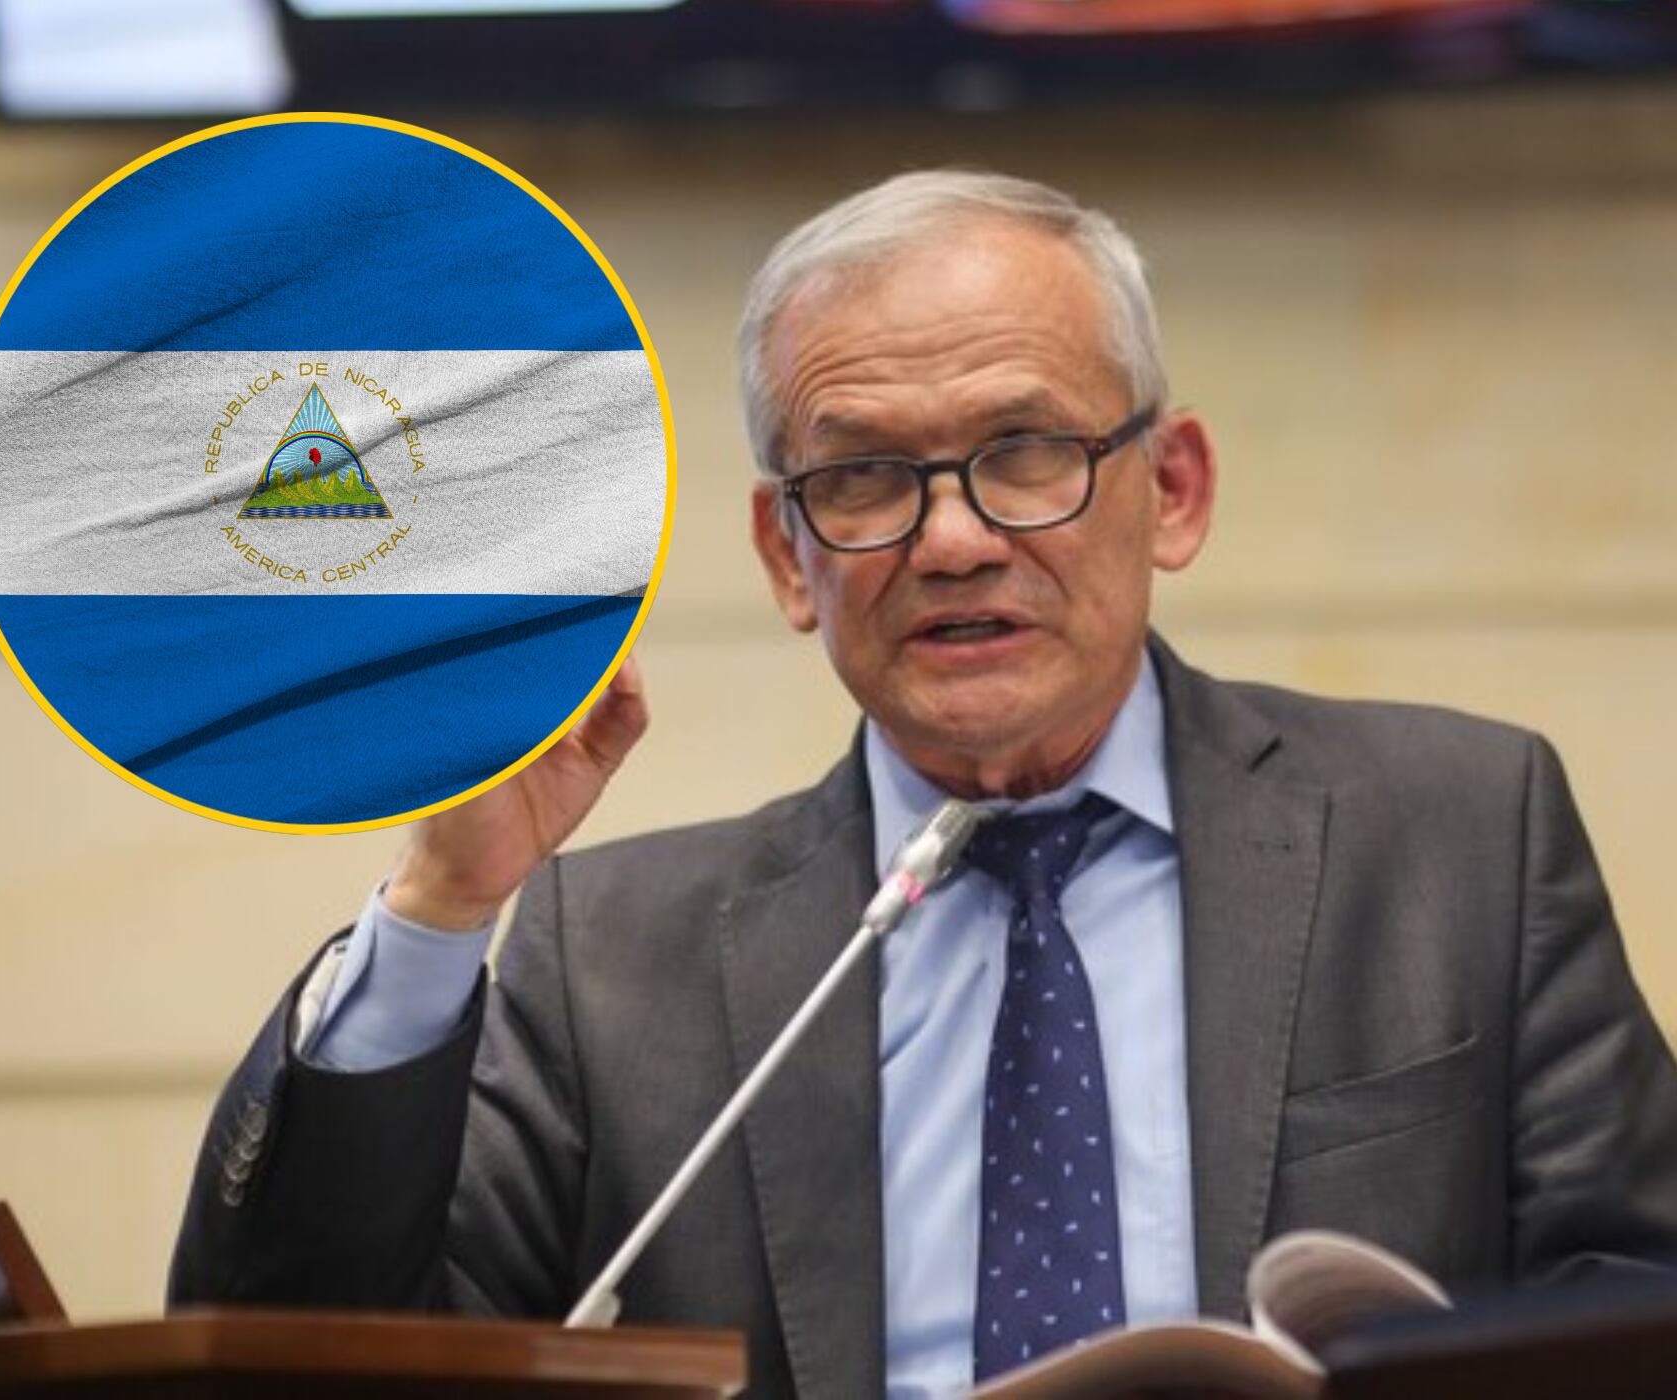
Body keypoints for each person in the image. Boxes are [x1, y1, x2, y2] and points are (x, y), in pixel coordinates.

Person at [170, 171, 1677, 1399]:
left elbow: (1635, 1304)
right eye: (865, 478)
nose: (952, 540)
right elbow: (320, 1360)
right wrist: (445, 907)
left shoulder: (1459, 834)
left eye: (1025, 452)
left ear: (1174, 491)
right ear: (788, 559)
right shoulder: (610, 956)